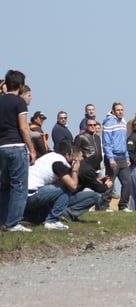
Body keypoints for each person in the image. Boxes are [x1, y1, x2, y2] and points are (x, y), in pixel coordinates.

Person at [24, 142, 98, 229]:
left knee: (55, 193)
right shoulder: (59, 164)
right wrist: (75, 171)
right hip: (30, 195)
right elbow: (73, 187)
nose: (79, 163)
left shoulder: (49, 157)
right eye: (77, 160)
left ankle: (30, 217)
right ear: (68, 155)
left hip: (23, 193)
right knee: (65, 189)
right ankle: (52, 221)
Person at [0, 70, 38, 232]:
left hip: (2, 147)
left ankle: (3, 219)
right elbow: (23, 127)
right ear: (21, 86)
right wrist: (32, 149)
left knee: (6, 185)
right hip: (16, 146)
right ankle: (13, 222)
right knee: (19, 186)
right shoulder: (19, 102)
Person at [102, 102, 132, 211]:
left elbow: (124, 142)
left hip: (123, 157)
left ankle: (123, 205)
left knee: (128, 182)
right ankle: (104, 206)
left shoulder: (123, 123)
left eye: (122, 110)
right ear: (113, 111)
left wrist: (127, 157)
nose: (120, 112)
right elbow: (106, 143)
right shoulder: (109, 123)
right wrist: (110, 158)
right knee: (110, 183)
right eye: (118, 110)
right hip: (113, 157)